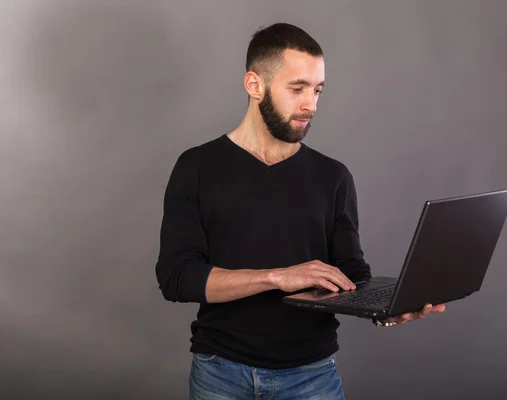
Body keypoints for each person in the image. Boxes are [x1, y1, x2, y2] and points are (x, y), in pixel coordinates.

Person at [155, 22, 445, 400]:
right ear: (254, 85)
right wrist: (277, 277)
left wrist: (386, 309)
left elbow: (351, 272)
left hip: (312, 377)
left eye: (317, 89)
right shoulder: (196, 167)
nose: (311, 104)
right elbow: (177, 278)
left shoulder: (333, 176)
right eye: (297, 89)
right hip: (220, 374)